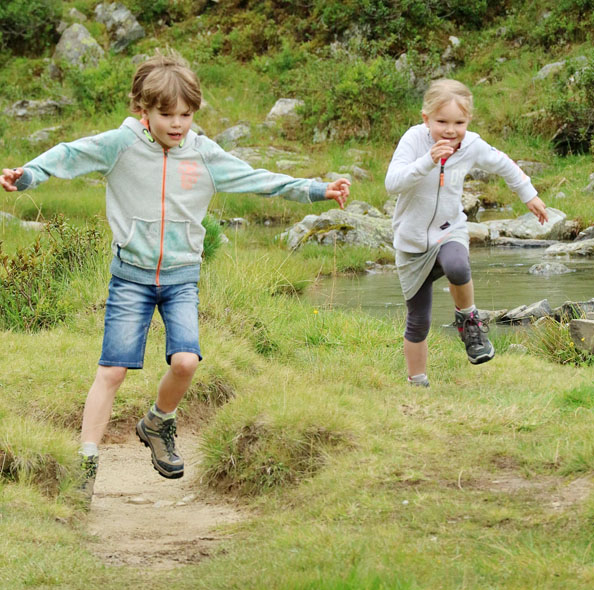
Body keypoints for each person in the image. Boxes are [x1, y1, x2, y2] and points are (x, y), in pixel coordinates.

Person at [0, 51, 350, 499]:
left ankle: (158, 421)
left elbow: (260, 179)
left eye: (185, 114)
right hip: (130, 277)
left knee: (186, 362)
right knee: (112, 371)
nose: (177, 123)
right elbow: (71, 154)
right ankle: (84, 461)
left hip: (182, 277)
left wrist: (319, 189)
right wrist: (29, 175)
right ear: (142, 110)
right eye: (166, 114)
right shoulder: (120, 146)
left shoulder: (204, 155)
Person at [385, 79, 547, 388]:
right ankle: (417, 382)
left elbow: (505, 165)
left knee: (458, 265)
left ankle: (469, 322)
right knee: (419, 320)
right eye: (441, 121)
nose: (450, 130)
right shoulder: (414, 141)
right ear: (426, 119)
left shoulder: (472, 145)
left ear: (468, 121)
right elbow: (392, 183)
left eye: (458, 122)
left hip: (449, 229)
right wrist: (427, 162)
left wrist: (529, 195)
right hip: (411, 242)